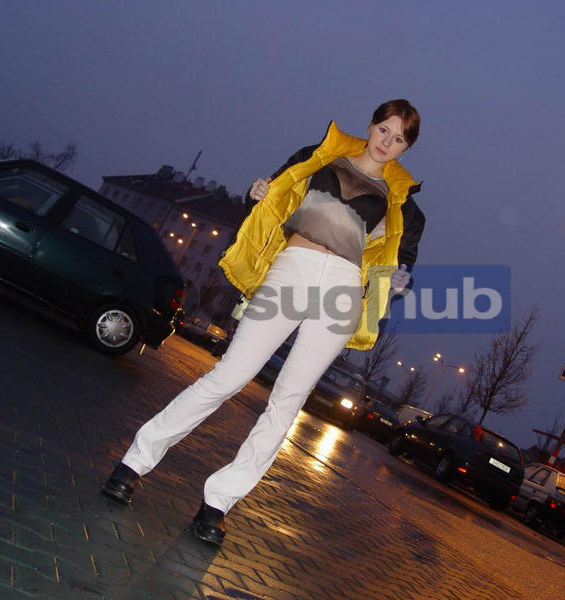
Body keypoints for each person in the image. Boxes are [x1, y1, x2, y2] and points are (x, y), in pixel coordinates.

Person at [101, 99, 425, 545]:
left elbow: (399, 265)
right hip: (293, 267)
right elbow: (272, 194)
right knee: (228, 375)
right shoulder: (321, 154)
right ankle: (134, 463)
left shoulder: (404, 206)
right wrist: (254, 192)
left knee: (287, 402)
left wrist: (402, 280)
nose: (387, 141)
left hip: (343, 290)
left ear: (406, 148)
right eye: (384, 129)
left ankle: (218, 504)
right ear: (371, 125)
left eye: (399, 138)